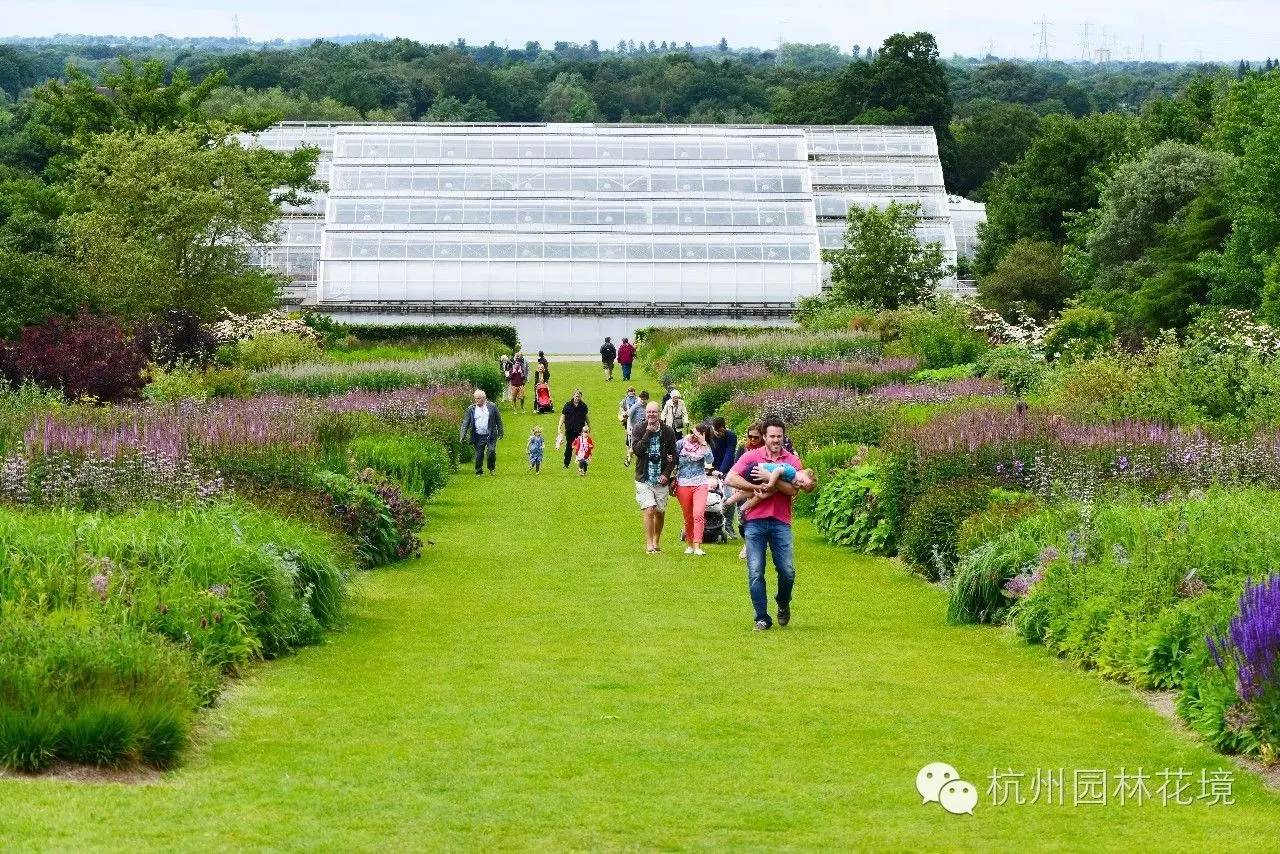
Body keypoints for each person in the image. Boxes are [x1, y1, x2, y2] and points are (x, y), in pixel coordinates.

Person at [727, 417, 807, 631]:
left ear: (784, 436)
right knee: (755, 571)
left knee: (787, 571)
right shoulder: (751, 456)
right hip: (755, 521)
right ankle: (762, 617)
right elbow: (730, 478)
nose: (776, 440)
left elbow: (793, 490)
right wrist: (755, 487)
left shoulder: (791, 461)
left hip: (781, 521)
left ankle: (783, 602)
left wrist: (771, 477)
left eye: (779, 436)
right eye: (772, 436)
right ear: (764, 437)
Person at [631, 400, 678, 554]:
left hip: (660, 479)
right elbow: (637, 451)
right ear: (646, 414)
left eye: (654, 412)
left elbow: (673, 456)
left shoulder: (668, 432)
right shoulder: (639, 428)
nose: (651, 414)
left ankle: (656, 540)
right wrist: (648, 433)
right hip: (644, 477)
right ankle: (649, 544)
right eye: (649, 412)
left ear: (659, 414)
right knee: (649, 509)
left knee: (659, 512)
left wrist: (666, 474)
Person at [674, 421, 716, 556]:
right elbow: (672, 459)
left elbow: (710, 460)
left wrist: (703, 442)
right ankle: (689, 544)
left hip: (700, 483)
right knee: (688, 516)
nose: (692, 436)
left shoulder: (705, 447)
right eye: (692, 432)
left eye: (696, 435)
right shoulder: (681, 444)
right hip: (683, 483)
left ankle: (698, 545)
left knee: (698, 514)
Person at [726, 464, 816, 514]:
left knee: (750, 493)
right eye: (802, 481)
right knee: (749, 493)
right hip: (756, 470)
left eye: (802, 487)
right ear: (801, 471)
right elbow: (777, 471)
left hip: (758, 474)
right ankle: (739, 507)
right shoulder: (791, 472)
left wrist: (765, 495)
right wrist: (770, 484)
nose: (799, 484)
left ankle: (733, 505)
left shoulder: (789, 481)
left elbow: (775, 490)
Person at [459, 388, 504, 476]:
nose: (477, 400)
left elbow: (498, 420)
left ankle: (491, 468)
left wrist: (501, 432)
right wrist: (462, 435)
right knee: (479, 454)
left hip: (491, 435)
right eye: (476, 398)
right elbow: (465, 423)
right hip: (478, 435)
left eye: (479, 398)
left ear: (484, 398)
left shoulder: (492, 406)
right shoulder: (471, 409)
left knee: (491, 452)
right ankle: (479, 471)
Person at [709, 417, 739, 539]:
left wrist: (721, 472)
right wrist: (711, 470)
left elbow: (729, 453)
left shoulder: (731, 436)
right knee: (710, 496)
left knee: (729, 496)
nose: (719, 434)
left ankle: (728, 524)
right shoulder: (709, 434)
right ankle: (709, 524)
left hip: (726, 470)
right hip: (710, 468)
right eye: (716, 432)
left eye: (721, 431)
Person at [557, 389, 590, 469]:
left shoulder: (583, 406)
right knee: (569, 447)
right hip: (570, 430)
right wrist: (559, 426)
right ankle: (566, 464)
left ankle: (581, 465)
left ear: (581, 397)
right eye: (576, 396)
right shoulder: (567, 405)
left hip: (580, 431)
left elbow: (586, 417)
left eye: (579, 396)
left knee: (581, 447)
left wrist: (589, 425)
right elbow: (563, 416)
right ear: (573, 396)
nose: (577, 398)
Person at [624, 390, 650, 465]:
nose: (643, 401)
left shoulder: (647, 407)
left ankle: (644, 460)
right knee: (633, 446)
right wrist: (628, 428)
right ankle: (628, 459)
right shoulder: (635, 406)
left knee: (644, 445)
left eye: (644, 399)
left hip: (645, 430)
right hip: (635, 430)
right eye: (642, 399)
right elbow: (628, 416)